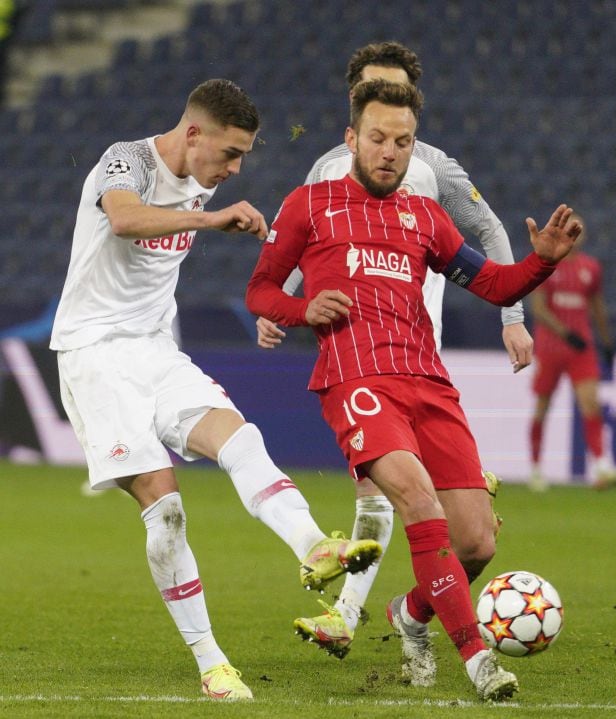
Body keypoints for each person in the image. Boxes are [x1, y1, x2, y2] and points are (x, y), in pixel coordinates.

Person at [245, 79, 581, 701]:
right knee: (418, 502)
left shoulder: (425, 215)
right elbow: (261, 290)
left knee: (476, 542)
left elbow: (495, 286)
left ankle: (412, 615)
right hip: (356, 381)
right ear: (352, 139)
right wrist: (303, 309)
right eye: (377, 138)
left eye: (402, 141)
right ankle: (479, 661)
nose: (389, 152)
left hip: (428, 384)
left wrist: (542, 263)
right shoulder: (308, 205)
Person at [48, 79, 382, 701]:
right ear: (193, 133)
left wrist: (274, 306)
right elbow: (123, 218)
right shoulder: (126, 160)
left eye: (243, 158)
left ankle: (314, 547)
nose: (233, 169)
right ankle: (211, 662)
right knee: (166, 507)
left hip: (155, 351)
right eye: (229, 154)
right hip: (94, 355)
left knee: (240, 438)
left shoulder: (206, 178)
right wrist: (210, 216)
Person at [527, 211, 616, 490]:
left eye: (579, 231)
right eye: (571, 230)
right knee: (543, 407)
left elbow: (597, 307)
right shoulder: (547, 263)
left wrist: (607, 342)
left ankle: (601, 465)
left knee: (591, 403)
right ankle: (535, 468)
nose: (575, 236)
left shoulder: (591, 268)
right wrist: (565, 333)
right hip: (551, 347)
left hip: (582, 347)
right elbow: (538, 309)